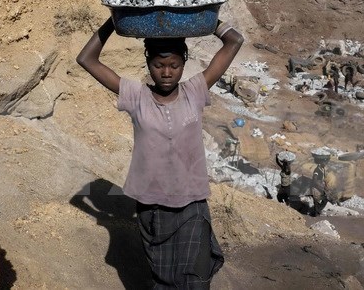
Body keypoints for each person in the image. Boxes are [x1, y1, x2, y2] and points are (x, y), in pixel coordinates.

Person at [77, 16, 244, 289]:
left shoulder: (195, 91)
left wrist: (207, 18)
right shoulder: (135, 96)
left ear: (184, 64)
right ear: (148, 65)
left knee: (196, 276)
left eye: (174, 65)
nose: (167, 72)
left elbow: (234, 40)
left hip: (192, 204)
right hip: (152, 206)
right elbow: (87, 59)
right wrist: (114, 22)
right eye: (159, 65)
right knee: (164, 279)